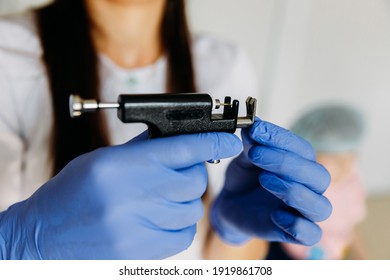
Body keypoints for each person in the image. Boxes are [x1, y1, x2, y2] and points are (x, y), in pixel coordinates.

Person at [0, 0, 332, 259]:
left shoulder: (226, 63)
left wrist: (231, 231)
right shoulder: (8, 54)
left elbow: (223, 263)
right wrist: (20, 245)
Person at [266, 104, 367, 260]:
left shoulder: (351, 185)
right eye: (336, 159)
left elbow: (349, 227)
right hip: (289, 254)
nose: (346, 166)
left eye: (351, 158)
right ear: (307, 156)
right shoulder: (296, 188)